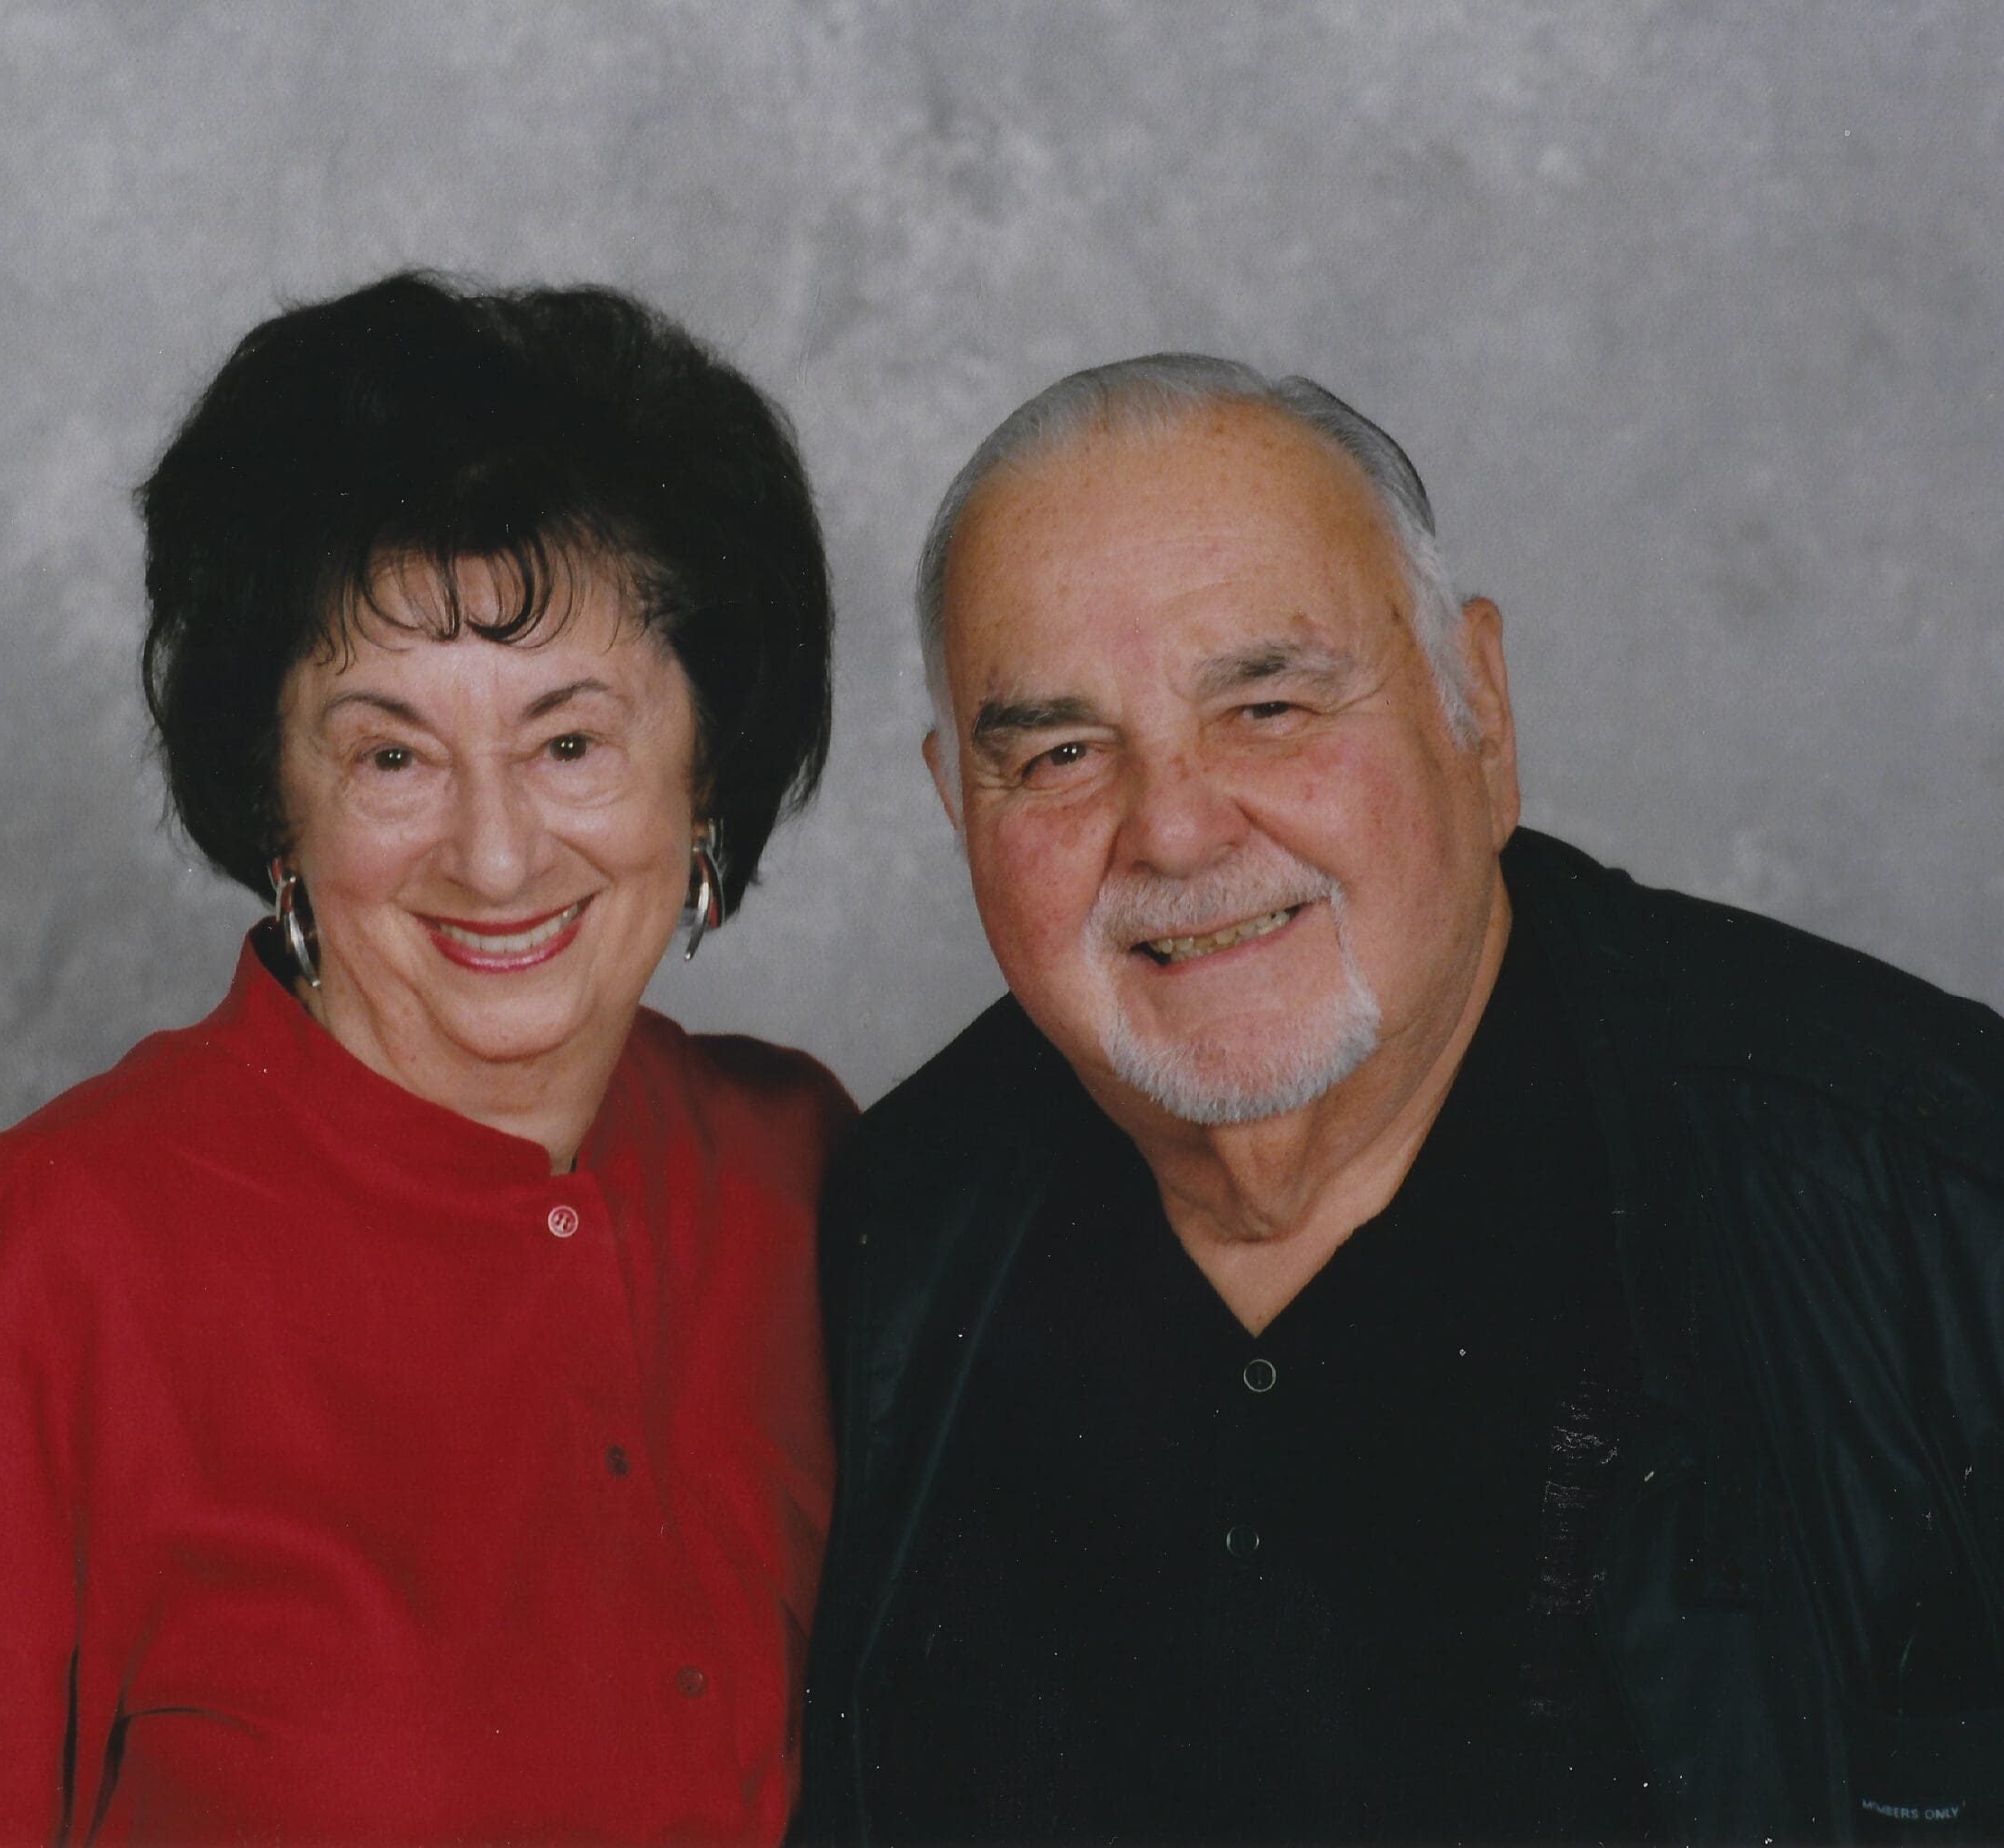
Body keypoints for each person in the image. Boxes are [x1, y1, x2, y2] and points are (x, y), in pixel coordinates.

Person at [801, 355, 2004, 1843]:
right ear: (955, 808)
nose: (1174, 826)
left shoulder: (1936, 1194)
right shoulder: (890, 1227)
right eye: (1058, 753)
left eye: (1269, 707)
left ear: (1477, 711)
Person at [0, 272, 847, 1844]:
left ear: (704, 765)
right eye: (391, 753)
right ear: (275, 804)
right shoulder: (19, 1291)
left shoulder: (811, 1174)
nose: (499, 852)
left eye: (571, 741)